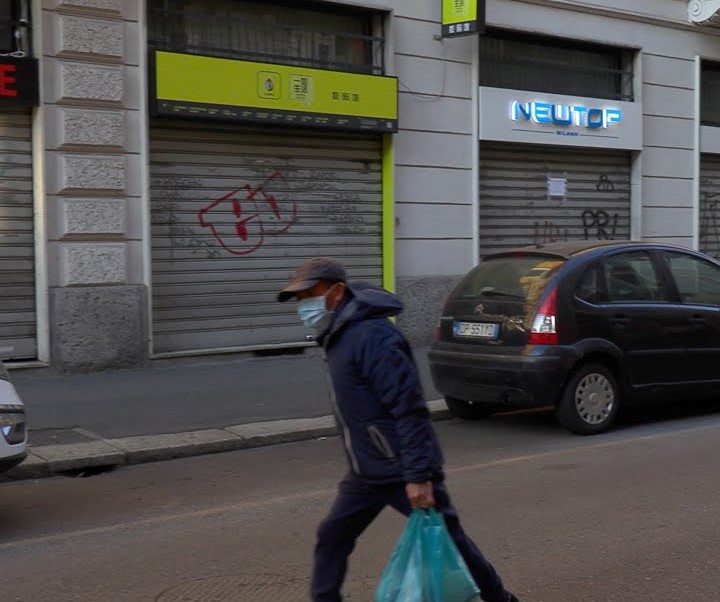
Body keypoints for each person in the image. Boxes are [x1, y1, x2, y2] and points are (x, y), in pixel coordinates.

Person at [277, 257, 520, 602]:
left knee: (449, 541)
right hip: (367, 469)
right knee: (332, 536)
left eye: (309, 295)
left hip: (402, 466)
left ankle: (501, 599)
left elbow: (409, 409)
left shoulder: (373, 336)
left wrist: (418, 475)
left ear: (337, 291)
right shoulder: (339, 333)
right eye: (298, 298)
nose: (303, 305)